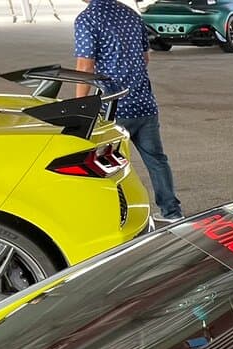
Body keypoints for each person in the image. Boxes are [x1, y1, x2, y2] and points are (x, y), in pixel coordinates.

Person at [74, 0, 183, 223]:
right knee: (156, 160)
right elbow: (145, 57)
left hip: (114, 108)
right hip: (144, 102)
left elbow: (85, 66)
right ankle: (172, 212)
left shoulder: (88, 18)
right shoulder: (131, 14)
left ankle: (115, 217)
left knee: (106, 166)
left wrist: (80, 105)